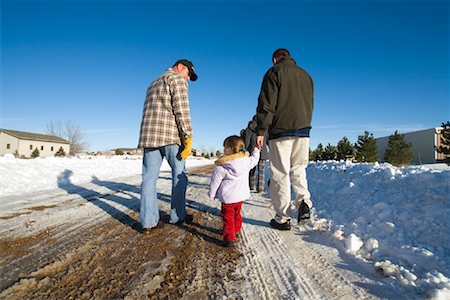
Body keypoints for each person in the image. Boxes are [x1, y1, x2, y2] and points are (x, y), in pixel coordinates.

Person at [255, 48, 314, 231]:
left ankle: (282, 218)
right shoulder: (306, 76)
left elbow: (267, 104)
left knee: (280, 172)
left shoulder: (274, 72)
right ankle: (304, 202)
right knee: (298, 168)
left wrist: (261, 129)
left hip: (281, 129)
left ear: (275, 59)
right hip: (303, 129)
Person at [138, 59, 198, 234]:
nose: (187, 79)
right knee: (180, 175)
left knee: (149, 179)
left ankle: (148, 222)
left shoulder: (153, 82)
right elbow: (182, 109)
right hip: (170, 136)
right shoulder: (176, 79)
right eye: (188, 75)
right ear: (180, 67)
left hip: (150, 137)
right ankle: (177, 216)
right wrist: (188, 135)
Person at [208, 135, 260, 247]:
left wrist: (212, 194)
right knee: (237, 214)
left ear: (230, 149)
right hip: (240, 197)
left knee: (228, 218)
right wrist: (257, 149)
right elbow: (255, 159)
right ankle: (236, 230)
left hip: (228, 199)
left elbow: (215, 183)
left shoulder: (221, 167)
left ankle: (229, 238)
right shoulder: (246, 162)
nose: (223, 150)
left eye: (224, 147)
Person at [242, 115, 269, 193]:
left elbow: (246, 142)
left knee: (252, 169)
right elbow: (267, 141)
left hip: (252, 152)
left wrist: (245, 151)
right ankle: (260, 188)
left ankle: (251, 185)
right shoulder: (264, 129)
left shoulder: (248, 129)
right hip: (263, 152)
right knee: (261, 171)